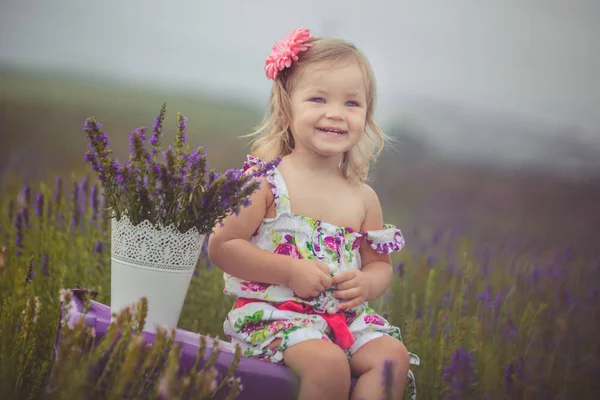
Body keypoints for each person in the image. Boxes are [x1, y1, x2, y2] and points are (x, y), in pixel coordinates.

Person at [208, 28, 418, 400]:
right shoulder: (266, 182)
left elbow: (379, 265)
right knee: (329, 364)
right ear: (287, 107)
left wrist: (366, 285)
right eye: (318, 99)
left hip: (342, 319)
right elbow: (223, 245)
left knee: (391, 358)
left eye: (352, 104)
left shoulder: (363, 197)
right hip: (275, 316)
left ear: (367, 115)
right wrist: (290, 271)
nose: (336, 114)